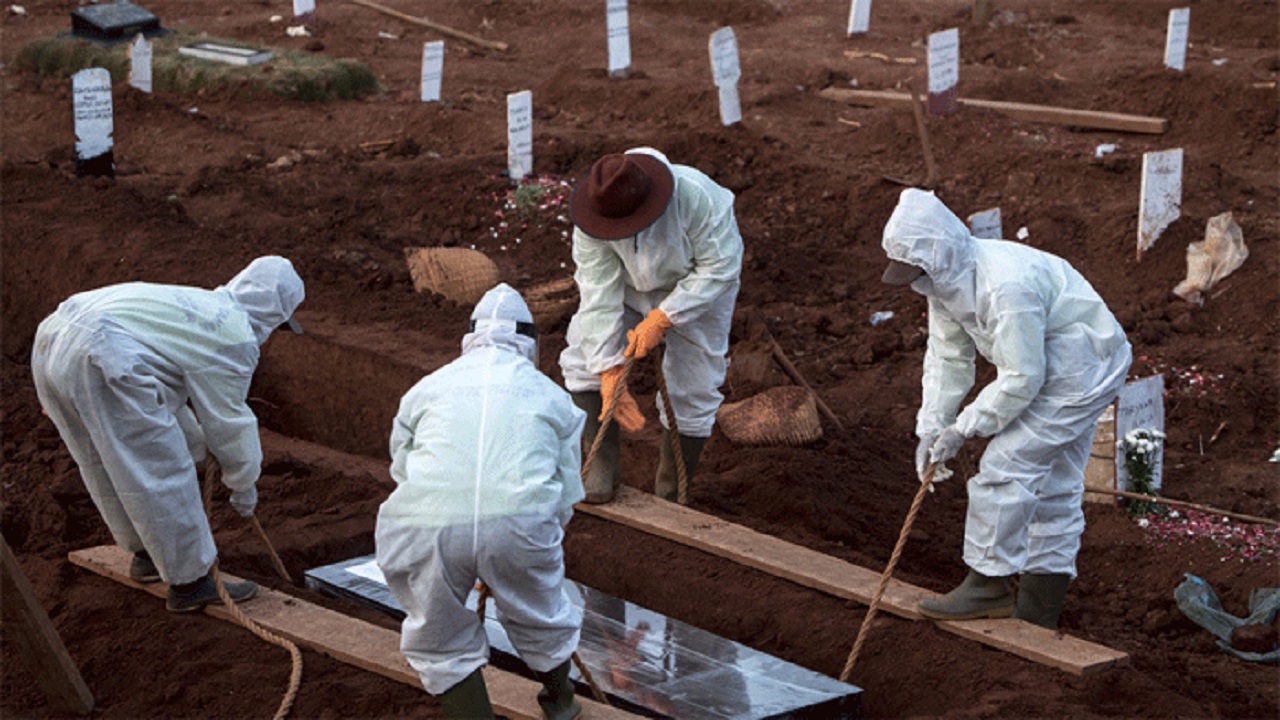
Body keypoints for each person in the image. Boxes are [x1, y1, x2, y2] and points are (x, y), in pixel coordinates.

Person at [881, 189, 1132, 629]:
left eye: (918, 270)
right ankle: (1039, 609)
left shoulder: (1005, 287)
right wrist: (931, 427)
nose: (916, 281)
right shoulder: (946, 280)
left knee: (1006, 464)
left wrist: (964, 428)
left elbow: (1021, 378)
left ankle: (988, 584)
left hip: (1078, 366)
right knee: (1052, 484)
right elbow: (948, 357)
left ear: (937, 254)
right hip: (1053, 361)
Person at [31, 256, 305, 613]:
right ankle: (190, 582)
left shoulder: (198, 306)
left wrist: (197, 447)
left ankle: (145, 554)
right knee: (159, 467)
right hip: (103, 353)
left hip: (55, 337)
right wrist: (243, 483)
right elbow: (230, 421)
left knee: (101, 460)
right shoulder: (235, 337)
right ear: (275, 314)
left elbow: (167, 396)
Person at [375, 284, 586, 720]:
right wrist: (506, 548)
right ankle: (560, 703)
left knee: (439, 637)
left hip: (423, 521)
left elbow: (403, 468)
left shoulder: (426, 389)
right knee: (543, 613)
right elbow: (565, 495)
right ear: (530, 343)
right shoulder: (553, 398)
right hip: (519, 523)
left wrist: (463, 532)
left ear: (468, 338)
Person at [560, 147, 743, 503]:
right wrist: (607, 368)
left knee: (694, 382)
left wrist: (664, 316)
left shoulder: (698, 198)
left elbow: (719, 267)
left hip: (698, 287)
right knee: (584, 355)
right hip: (627, 286)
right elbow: (598, 292)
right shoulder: (594, 220)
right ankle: (600, 466)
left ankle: (673, 488)